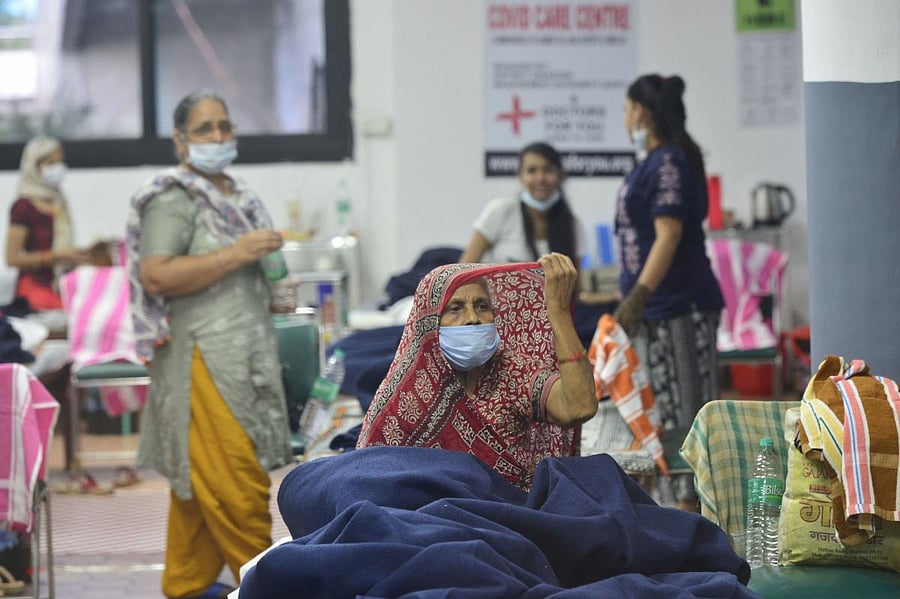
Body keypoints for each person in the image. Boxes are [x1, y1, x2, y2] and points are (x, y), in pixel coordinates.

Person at [125, 90, 291, 599]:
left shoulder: (239, 198)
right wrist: (236, 254)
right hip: (202, 362)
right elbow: (156, 274)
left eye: (224, 126)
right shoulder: (173, 198)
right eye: (204, 130)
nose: (218, 137)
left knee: (203, 493)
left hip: (244, 359)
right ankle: (264, 587)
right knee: (237, 493)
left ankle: (188, 586)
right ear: (181, 141)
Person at [356, 252, 597, 490]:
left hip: (511, 513)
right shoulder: (408, 396)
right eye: (455, 309)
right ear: (429, 323)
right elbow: (368, 478)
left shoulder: (509, 370)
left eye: (482, 306)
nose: (473, 318)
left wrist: (559, 312)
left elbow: (579, 407)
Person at [613, 74, 724, 454]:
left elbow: (668, 235)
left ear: (640, 111)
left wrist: (638, 296)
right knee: (661, 413)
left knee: (688, 416)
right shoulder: (656, 163)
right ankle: (675, 502)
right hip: (657, 310)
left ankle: (694, 505)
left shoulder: (669, 162)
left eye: (626, 111)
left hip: (680, 307)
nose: (625, 120)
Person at [460, 142, 584, 267]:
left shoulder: (573, 225)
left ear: (560, 176)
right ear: (520, 176)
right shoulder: (500, 211)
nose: (541, 178)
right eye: (532, 170)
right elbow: (462, 272)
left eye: (548, 170)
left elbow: (575, 284)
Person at [5, 136, 91, 310]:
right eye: (50, 163)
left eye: (60, 162)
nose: (57, 168)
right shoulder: (23, 206)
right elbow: (11, 258)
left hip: (60, 285)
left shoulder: (59, 201)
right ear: (34, 166)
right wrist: (57, 256)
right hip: (34, 289)